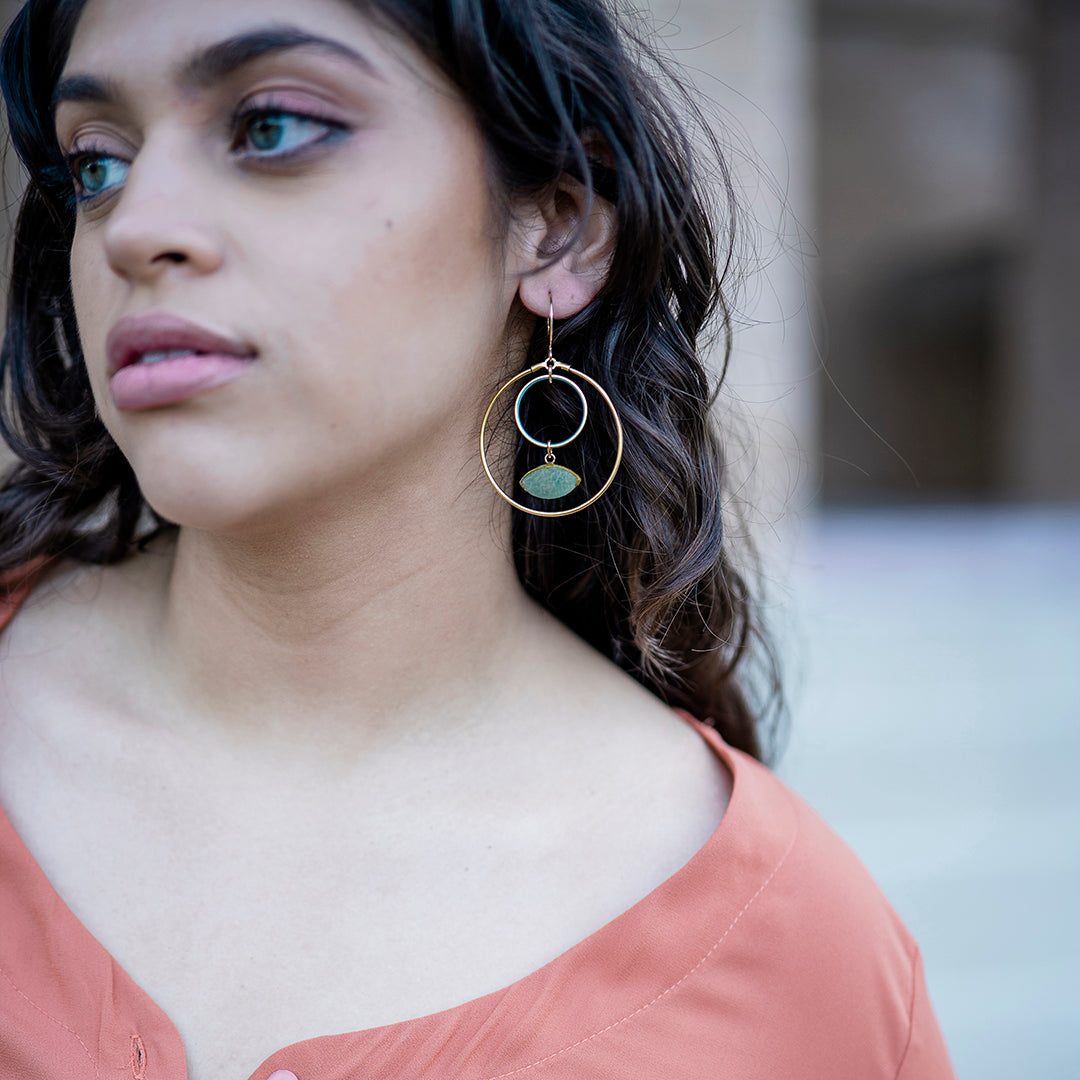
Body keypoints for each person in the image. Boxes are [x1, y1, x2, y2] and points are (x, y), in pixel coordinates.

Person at [0, 0, 956, 1077]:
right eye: (96, 165)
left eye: (270, 126)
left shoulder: (807, 973)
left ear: (557, 226)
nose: (132, 227)